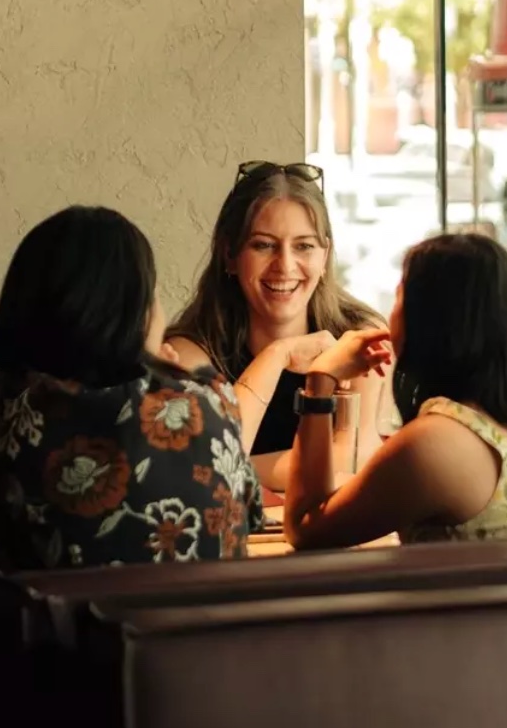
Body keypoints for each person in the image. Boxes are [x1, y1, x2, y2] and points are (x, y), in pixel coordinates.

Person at [0, 205, 263, 572]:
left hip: (55, 631)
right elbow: (244, 521)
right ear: (136, 312)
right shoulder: (211, 402)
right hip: (195, 629)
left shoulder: (1, 408)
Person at [285, 232, 507, 549]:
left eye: (398, 297)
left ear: (425, 320)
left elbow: (306, 530)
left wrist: (320, 382)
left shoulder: (435, 443)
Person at [165, 161, 385, 490]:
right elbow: (189, 474)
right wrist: (278, 354)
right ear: (230, 255)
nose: (284, 265)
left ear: (324, 257)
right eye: (263, 245)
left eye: (304, 246)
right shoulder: (190, 353)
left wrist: (227, 469)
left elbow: (352, 459)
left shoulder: (357, 337)